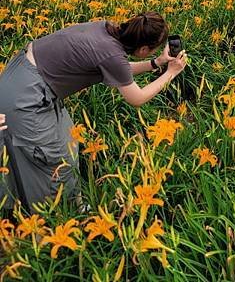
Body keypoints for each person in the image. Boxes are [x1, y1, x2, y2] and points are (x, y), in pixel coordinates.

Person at [0, 12, 187, 210]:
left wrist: (156, 63)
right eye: (153, 51)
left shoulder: (106, 28)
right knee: (55, 161)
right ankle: (53, 222)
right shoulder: (112, 54)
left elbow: (118, 68)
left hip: (22, 75)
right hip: (26, 97)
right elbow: (137, 98)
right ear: (142, 49)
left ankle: (70, 206)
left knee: (69, 140)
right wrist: (171, 73)